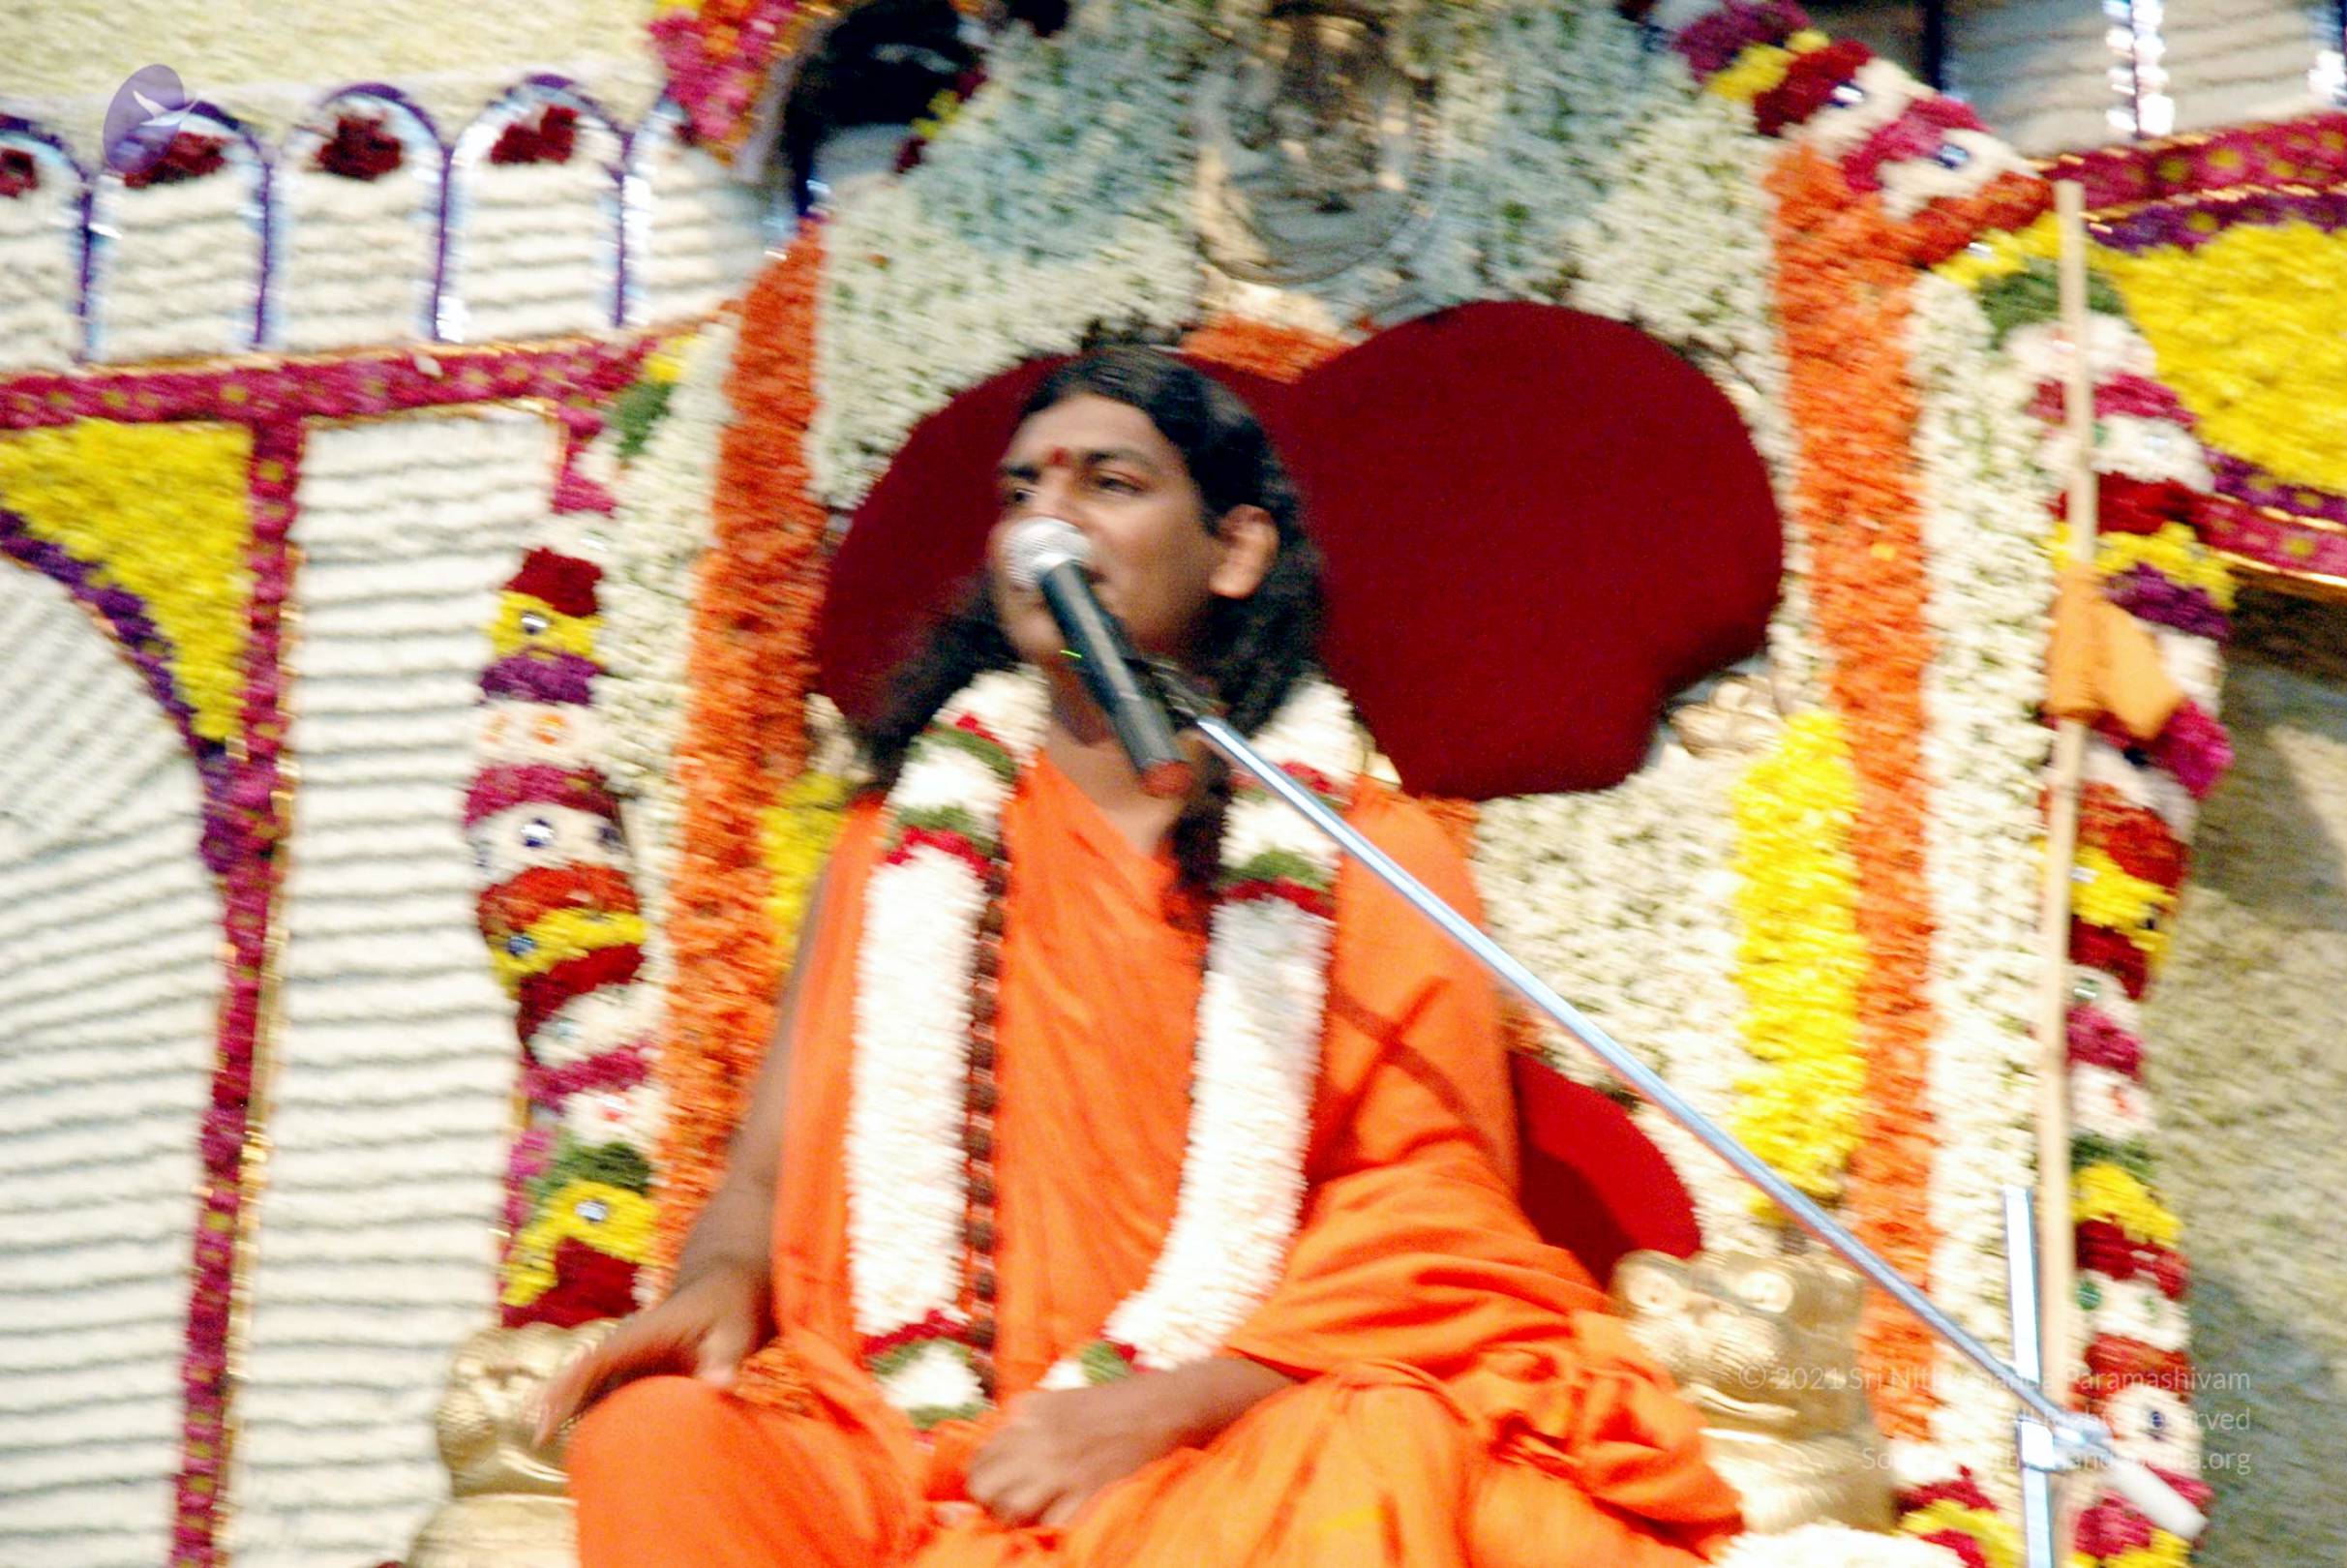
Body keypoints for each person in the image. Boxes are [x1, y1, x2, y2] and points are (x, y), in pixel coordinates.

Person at [541, 347, 1743, 1567]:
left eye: (1108, 484)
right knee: (656, 1441)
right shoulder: (894, 848)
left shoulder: (1363, 850)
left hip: (1221, 1434)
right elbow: (763, 1182)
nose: (1045, 521)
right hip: (900, 1442)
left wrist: (1157, 1410)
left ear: (1236, 552)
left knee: (1373, 1443)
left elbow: (1422, 1214)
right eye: (1022, 492)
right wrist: (714, 1284)